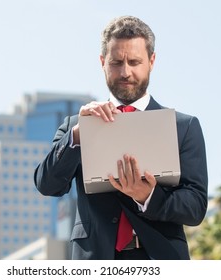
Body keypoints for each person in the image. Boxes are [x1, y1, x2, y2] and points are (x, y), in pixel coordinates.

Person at [34, 15, 208, 260]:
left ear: (152, 61)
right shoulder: (76, 126)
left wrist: (147, 196)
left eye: (135, 62)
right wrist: (77, 135)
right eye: (116, 62)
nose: (126, 72)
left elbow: (195, 207)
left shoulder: (184, 127)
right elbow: (47, 184)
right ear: (103, 62)